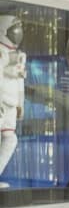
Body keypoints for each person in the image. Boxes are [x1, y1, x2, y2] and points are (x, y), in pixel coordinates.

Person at [0, 15, 27, 187]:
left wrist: (20, 104)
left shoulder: (18, 55)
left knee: (11, 139)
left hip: (10, 104)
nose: (17, 33)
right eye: (14, 29)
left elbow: (20, 81)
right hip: (1, 101)